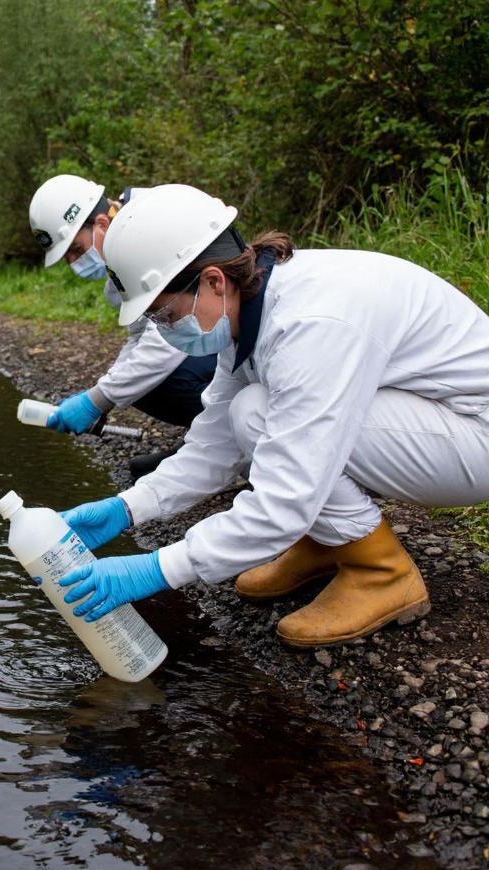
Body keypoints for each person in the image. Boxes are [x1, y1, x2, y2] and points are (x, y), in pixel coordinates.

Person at [55, 183, 489, 648]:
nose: (164, 330)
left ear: (213, 280)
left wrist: (159, 567)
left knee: (263, 418)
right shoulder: (248, 308)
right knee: (246, 412)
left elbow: (288, 493)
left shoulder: (312, 323)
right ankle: (328, 540)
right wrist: (128, 507)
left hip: (474, 434)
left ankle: (380, 572)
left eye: (164, 314)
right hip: (435, 416)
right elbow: (214, 443)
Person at [28, 175, 218, 479]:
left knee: (157, 379)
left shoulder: (151, 227)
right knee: (132, 381)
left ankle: (230, 443)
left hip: (227, 334)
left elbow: (166, 340)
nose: (74, 262)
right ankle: (210, 439)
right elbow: (141, 334)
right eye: (67, 257)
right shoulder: (124, 244)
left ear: (102, 223)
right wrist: (101, 394)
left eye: (76, 249)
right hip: (211, 336)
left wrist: (97, 399)